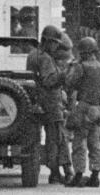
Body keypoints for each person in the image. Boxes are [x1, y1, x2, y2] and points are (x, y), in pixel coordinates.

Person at [64, 36, 100, 188]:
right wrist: (99, 107)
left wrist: (71, 68)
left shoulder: (81, 67)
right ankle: (95, 175)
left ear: (83, 52)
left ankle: (78, 175)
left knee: (79, 142)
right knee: (95, 143)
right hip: (96, 109)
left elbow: (70, 83)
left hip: (83, 106)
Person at [28, 25, 70, 184]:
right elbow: (49, 81)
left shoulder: (32, 55)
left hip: (38, 101)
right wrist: (64, 74)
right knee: (57, 139)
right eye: (55, 43)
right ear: (47, 41)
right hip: (51, 103)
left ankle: (56, 171)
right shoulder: (45, 57)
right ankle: (57, 172)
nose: (56, 47)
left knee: (47, 139)